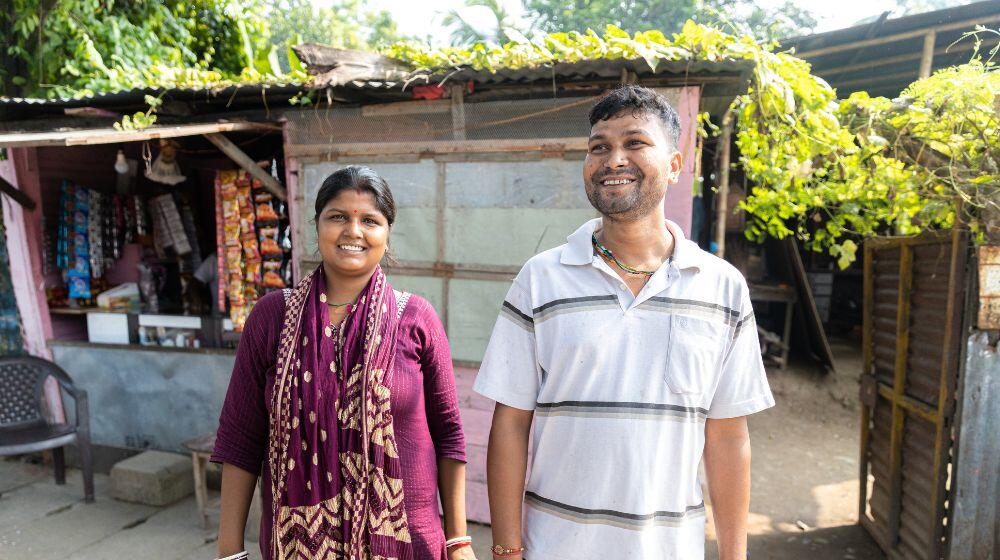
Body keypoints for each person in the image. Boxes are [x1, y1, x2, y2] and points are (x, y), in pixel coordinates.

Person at [475, 85, 774, 560]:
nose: (614, 159)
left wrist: (733, 556)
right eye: (599, 147)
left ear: (675, 165)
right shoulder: (541, 279)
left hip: (669, 548)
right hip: (553, 547)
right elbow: (510, 423)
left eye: (635, 143)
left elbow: (728, 435)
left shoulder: (722, 287)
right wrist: (508, 550)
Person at [211, 166, 476, 560]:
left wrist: (458, 541)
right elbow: (240, 438)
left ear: (387, 235)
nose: (353, 231)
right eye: (338, 216)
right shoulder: (273, 317)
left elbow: (449, 436)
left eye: (370, 220)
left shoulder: (416, 318)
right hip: (299, 544)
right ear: (317, 227)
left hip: (407, 544)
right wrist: (230, 550)